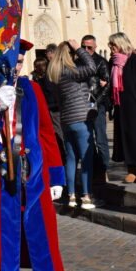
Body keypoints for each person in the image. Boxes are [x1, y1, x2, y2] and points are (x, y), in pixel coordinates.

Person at [0, 40, 65, 271]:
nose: (15, 68)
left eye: (20, 62)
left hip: (33, 178)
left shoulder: (31, 89)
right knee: (2, 242)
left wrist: (55, 176)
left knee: (41, 240)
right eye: (10, 62)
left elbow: (45, 133)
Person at [47, 39, 97, 209]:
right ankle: (86, 196)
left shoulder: (56, 72)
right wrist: (79, 49)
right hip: (80, 118)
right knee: (86, 158)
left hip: (66, 120)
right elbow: (92, 67)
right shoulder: (71, 71)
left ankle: (72, 196)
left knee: (71, 158)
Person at [108, 32, 136, 184]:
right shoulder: (113, 63)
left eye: (113, 45)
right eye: (110, 45)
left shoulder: (135, 61)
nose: (111, 48)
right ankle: (131, 169)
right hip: (120, 106)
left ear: (121, 44)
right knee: (124, 137)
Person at [81, 34, 112, 183]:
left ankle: (104, 169)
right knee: (87, 140)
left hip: (97, 105)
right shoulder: (79, 63)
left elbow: (107, 86)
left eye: (89, 47)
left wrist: (96, 103)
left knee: (100, 138)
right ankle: (93, 170)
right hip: (82, 105)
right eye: (83, 47)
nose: (86, 50)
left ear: (95, 47)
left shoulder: (101, 62)